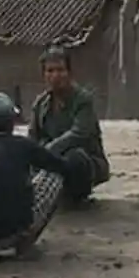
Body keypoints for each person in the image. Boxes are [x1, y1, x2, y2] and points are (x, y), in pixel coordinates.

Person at [0, 92, 81, 260]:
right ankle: (23, 245)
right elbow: (59, 166)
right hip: (14, 233)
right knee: (54, 175)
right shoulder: (22, 145)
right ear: (11, 122)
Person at [28, 45, 109, 202]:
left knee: (75, 156)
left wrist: (49, 150)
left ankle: (77, 195)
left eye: (60, 70)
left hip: (85, 160)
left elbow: (79, 134)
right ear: (43, 75)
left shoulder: (82, 100)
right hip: (53, 160)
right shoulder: (40, 103)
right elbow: (32, 137)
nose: (55, 76)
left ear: (69, 73)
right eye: (50, 71)